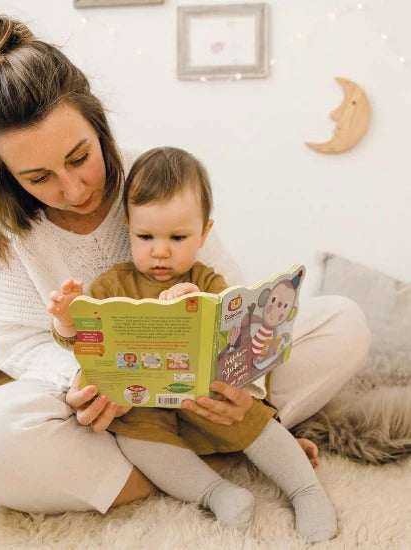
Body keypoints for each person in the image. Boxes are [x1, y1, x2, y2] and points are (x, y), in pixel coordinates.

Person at [0, 10, 371, 522]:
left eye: (80, 157)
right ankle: (203, 461)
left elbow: (232, 302)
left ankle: (226, 438)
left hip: (202, 393)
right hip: (112, 413)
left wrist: (246, 390)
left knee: (342, 321)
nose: (73, 189)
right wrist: (86, 381)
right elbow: (18, 342)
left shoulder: (155, 177)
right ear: (7, 176)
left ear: (97, 122)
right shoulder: (8, 225)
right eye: (38, 177)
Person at [47, 147, 337, 542]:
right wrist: (67, 319)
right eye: (145, 236)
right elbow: (84, 341)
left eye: (178, 237)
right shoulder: (111, 285)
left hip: (205, 397)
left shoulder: (209, 281)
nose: (160, 250)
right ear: (127, 226)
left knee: (253, 417)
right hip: (141, 405)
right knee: (136, 442)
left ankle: (306, 491)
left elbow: (234, 333)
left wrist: (197, 305)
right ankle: (216, 493)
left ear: (203, 233)